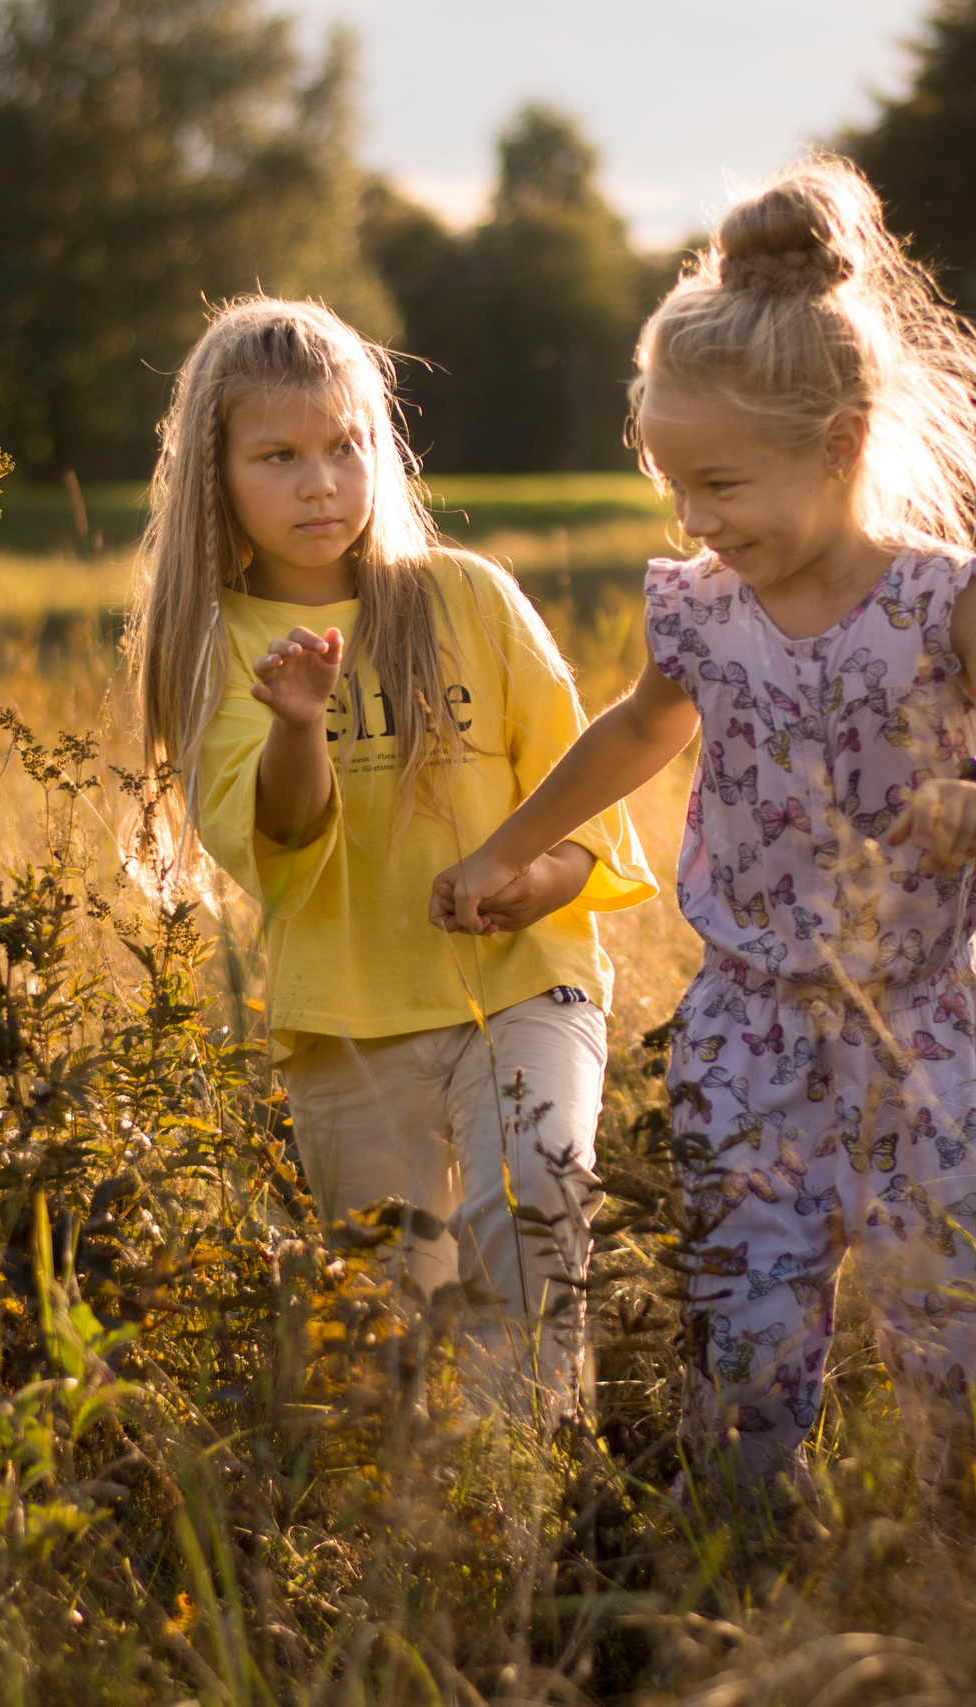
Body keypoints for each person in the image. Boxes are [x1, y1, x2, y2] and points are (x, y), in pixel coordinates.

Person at [431, 158, 976, 1492]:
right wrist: (505, 846)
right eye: (679, 487)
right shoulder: (700, 608)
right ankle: (749, 1551)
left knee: (961, 1327)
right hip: (744, 1028)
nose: (700, 520)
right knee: (745, 1334)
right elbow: (635, 732)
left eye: (727, 485)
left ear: (844, 437)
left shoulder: (953, 600)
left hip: (922, 1029)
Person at [130, 297, 657, 1420]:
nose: (320, 482)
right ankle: (429, 1528)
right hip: (350, 1024)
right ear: (214, 474)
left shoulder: (465, 598)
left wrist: (532, 886)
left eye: (345, 445)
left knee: (536, 1202)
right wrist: (296, 722)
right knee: (387, 1325)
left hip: (524, 986)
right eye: (278, 456)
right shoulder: (215, 646)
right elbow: (276, 847)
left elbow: (579, 814)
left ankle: (538, 1472)